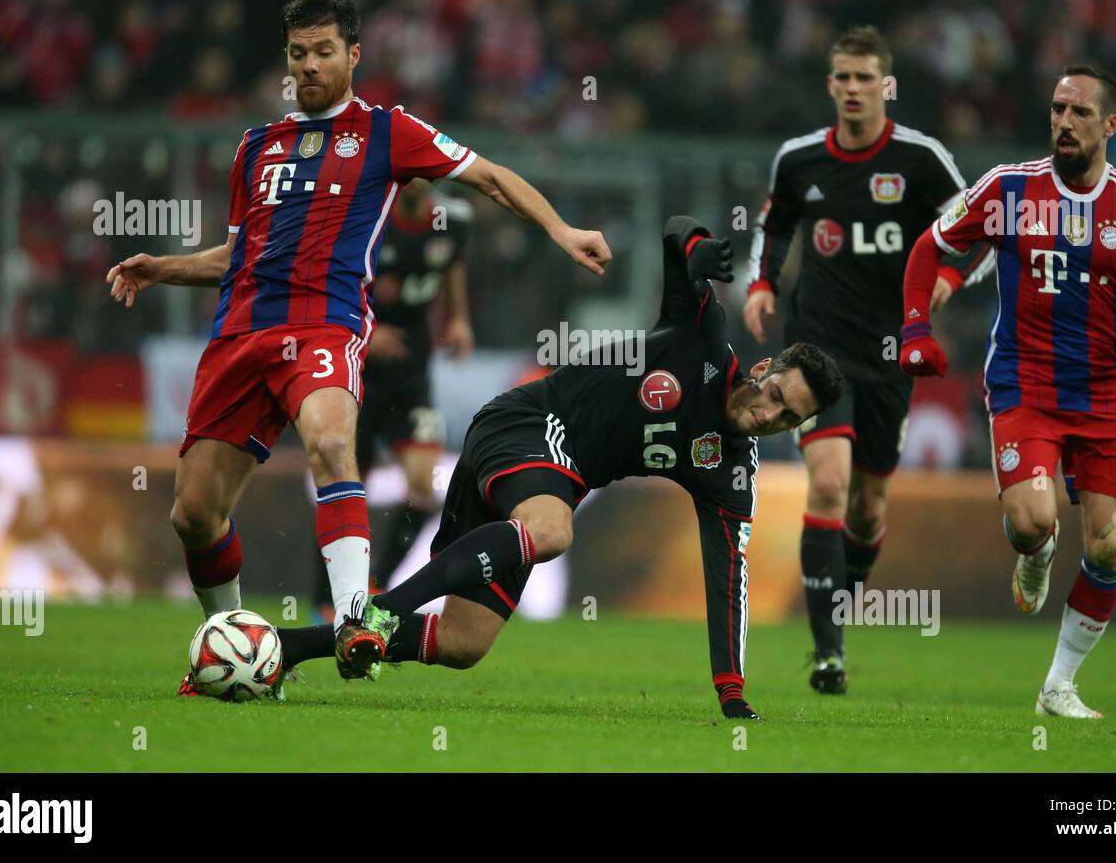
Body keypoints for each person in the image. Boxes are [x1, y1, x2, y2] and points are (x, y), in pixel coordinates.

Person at [103, 0, 610, 693]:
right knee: (193, 513)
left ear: (353, 55)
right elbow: (239, 255)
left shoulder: (387, 132)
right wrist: (164, 269)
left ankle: (353, 619)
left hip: (325, 321)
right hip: (240, 332)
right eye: (298, 54)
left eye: (323, 52)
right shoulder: (257, 146)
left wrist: (562, 231)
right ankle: (248, 652)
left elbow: (489, 176)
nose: (309, 66)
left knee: (332, 442)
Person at [275, 215, 844, 719]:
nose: (769, 414)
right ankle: (382, 610)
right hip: (526, 421)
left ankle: (285, 648)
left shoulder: (731, 471)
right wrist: (696, 249)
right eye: (774, 395)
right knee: (552, 531)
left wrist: (731, 692)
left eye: (788, 418)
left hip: (548, 475)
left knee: (463, 644)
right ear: (764, 367)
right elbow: (676, 234)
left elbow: (727, 579)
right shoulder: (702, 343)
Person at [900, 65, 1116, 718]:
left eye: (1080, 113)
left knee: (1109, 544)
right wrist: (916, 326)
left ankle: (1058, 685)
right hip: (1024, 386)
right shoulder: (1008, 188)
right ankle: (1035, 552)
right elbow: (929, 246)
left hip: (1101, 393)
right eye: (1058, 109)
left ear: (1110, 126)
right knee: (1034, 521)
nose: (1064, 121)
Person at [742, 26, 992, 694]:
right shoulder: (799, 159)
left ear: (886, 85)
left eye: (864, 78)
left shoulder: (921, 159)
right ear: (830, 86)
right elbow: (777, 223)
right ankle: (828, 653)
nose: (852, 89)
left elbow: (982, 228)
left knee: (868, 508)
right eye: (842, 78)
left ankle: (838, 611)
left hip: (891, 353)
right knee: (827, 482)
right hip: (815, 348)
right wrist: (762, 282)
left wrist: (952, 278)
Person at [311, 179, 475, 622]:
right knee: (343, 486)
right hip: (357, 373)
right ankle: (323, 601)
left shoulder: (452, 221)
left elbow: (453, 264)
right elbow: (332, 279)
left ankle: (376, 584)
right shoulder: (368, 219)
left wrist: (459, 319)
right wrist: (367, 331)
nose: (420, 177)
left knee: (423, 489)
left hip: (412, 379)